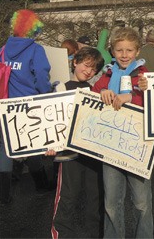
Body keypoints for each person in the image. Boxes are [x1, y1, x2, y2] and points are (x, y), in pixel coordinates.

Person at [92, 27, 153, 238]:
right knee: (111, 203)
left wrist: (133, 98)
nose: (124, 55)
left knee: (142, 203)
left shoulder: (144, 76)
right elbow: (90, 96)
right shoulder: (106, 74)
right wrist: (102, 92)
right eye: (119, 50)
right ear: (113, 51)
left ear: (137, 51)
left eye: (129, 50)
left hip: (138, 146)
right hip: (110, 146)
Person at [48, 47, 105, 238]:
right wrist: (49, 145)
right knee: (68, 197)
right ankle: (61, 234)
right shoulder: (60, 87)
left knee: (94, 198)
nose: (89, 71)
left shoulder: (95, 90)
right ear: (75, 62)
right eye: (86, 65)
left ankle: (94, 235)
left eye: (93, 69)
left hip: (91, 154)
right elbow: (49, 120)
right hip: (68, 154)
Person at [0, 9, 54, 204]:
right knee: (33, 144)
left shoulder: (3, 49)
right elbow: (41, 76)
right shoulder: (36, 50)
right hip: (29, 104)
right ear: (34, 29)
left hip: (7, 105)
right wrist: (45, 94)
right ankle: (41, 185)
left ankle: (3, 194)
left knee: (6, 147)